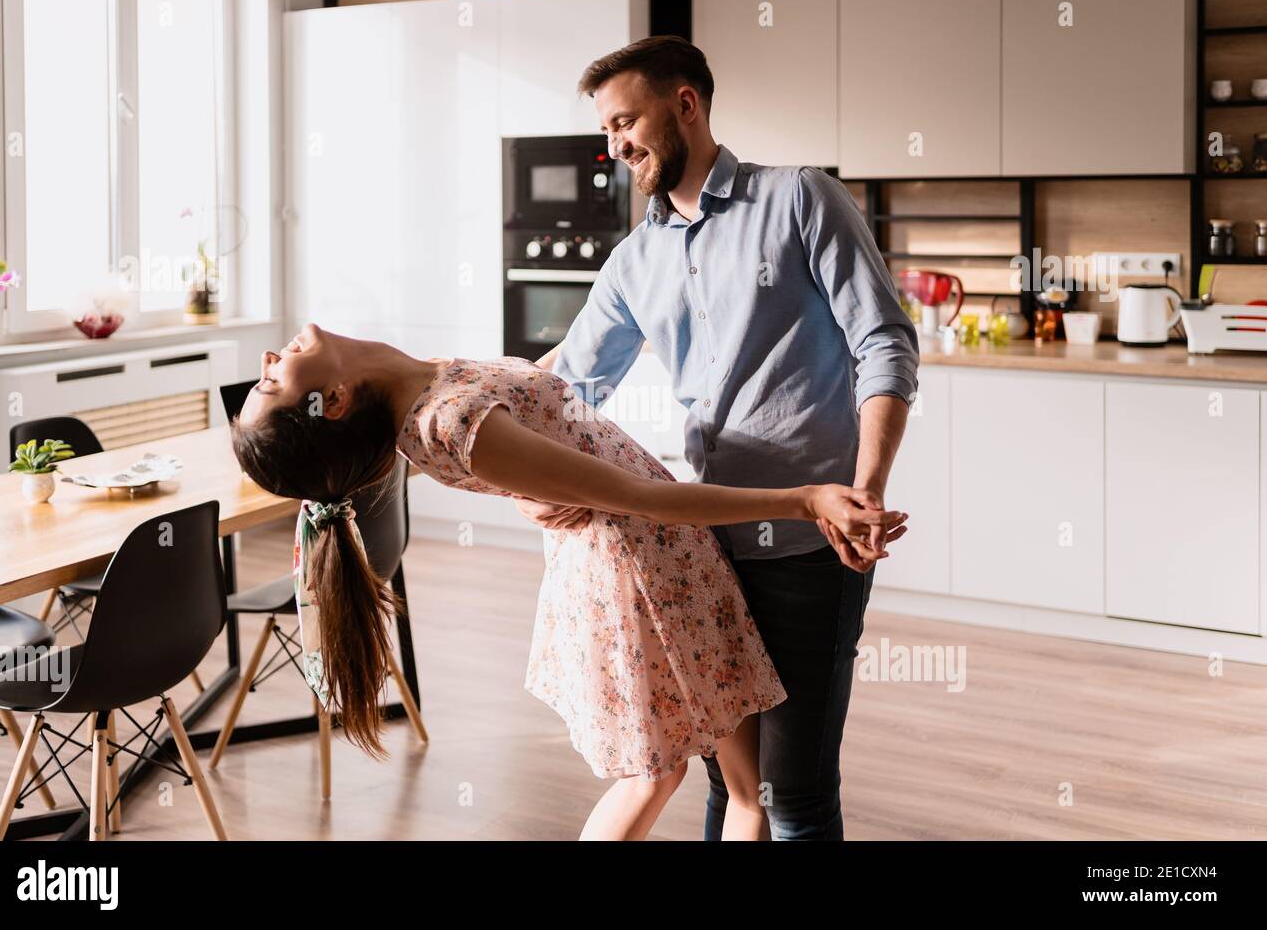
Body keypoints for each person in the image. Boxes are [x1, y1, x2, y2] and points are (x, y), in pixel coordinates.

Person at [232, 323, 906, 840]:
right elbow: (642, 498)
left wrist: (624, 300)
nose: (269, 362)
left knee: (692, 776)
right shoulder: (451, 421)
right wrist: (804, 499)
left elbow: (537, 393)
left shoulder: (425, 387)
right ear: (337, 400)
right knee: (730, 785)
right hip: (649, 571)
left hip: (648, 560)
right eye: (272, 383)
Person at [520, 36, 921, 840]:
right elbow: (566, 384)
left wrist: (868, 487)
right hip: (702, 552)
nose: (616, 145)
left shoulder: (801, 199)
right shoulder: (636, 259)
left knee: (793, 794)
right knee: (730, 783)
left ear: (686, 104)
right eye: (607, 130)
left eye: (626, 121)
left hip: (814, 543)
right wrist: (528, 469)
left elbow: (885, 342)